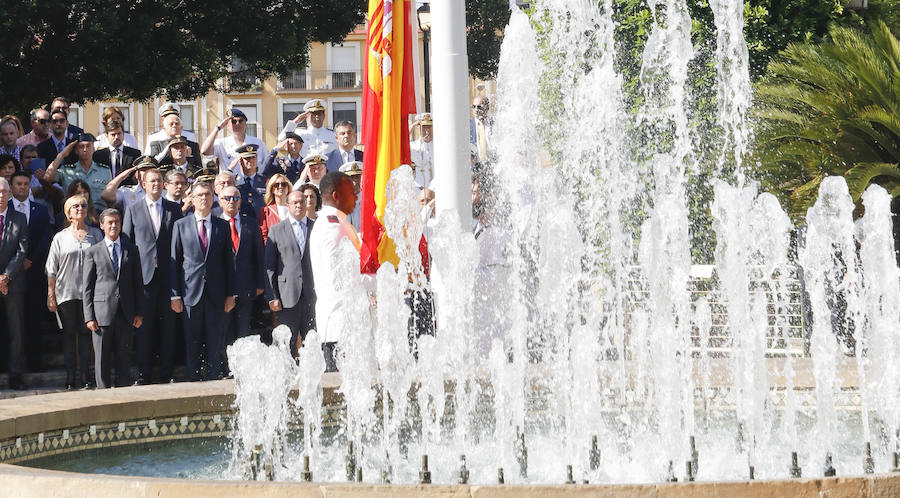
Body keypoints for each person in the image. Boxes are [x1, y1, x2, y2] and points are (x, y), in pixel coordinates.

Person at [170, 181, 236, 381]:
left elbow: (228, 262)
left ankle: (214, 379)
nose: (204, 198)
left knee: (215, 341)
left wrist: (230, 294)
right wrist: (175, 295)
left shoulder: (222, 226)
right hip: (190, 293)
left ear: (213, 198)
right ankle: (193, 381)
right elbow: (175, 261)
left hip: (216, 293)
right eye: (199, 195)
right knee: (192, 341)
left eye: (207, 194)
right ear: (192, 199)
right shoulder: (180, 225)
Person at [122, 167, 183, 384]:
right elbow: (127, 242)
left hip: (167, 278)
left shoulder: (174, 209)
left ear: (164, 184)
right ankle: (143, 373)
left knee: (168, 328)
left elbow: (179, 243)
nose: (156, 184)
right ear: (144, 184)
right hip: (143, 278)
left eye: (159, 180)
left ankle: (167, 373)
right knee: (144, 328)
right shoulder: (133, 208)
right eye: (151, 181)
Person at [46, 194, 104, 390]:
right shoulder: (60, 237)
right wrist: (51, 294)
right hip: (66, 293)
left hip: (90, 293)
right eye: (76, 206)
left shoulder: (96, 234)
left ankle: (86, 376)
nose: (80, 208)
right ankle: (70, 376)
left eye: (83, 205)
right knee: (69, 336)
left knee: (86, 335)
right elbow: (51, 268)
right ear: (68, 212)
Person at [83, 208, 143, 388]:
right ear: (102, 225)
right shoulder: (93, 251)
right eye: (109, 222)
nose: (114, 225)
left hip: (125, 311)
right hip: (102, 313)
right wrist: (89, 316)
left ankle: (123, 392)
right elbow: (87, 287)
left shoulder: (131, 250)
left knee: (124, 356)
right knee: (101, 357)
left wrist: (139, 312)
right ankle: (103, 392)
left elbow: (138, 284)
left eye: (117, 221)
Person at [309, 172, 360, 371]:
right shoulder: (332, 227)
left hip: (345, 324)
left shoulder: (338, 222)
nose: (356, 196)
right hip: (339, 325)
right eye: (351, 192)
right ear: (337, 196)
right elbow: (341, 276)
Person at [9, 171, 53, 372]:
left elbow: (46, 238)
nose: (22, 187)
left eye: (26, 184)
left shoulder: (40, 210)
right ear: (11, 187)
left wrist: (30, 260)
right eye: (18, 184)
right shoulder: (5, 209)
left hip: (34, 272)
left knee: (34, 318)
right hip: (10, 273)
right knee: (11, 321)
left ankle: (35, 362)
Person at [265, 190, 316, 357]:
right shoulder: (276, 230)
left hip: (311, 294)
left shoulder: (315, 226)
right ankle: (289, 377)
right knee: (287, 342)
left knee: (312, 339)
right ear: (288, 205)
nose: (299, 205)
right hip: (287, 295)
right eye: (295, 202)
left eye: (302, 202)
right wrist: (273, 297)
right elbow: (270, 267)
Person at [219, 185, 264, 347]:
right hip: (222, 289)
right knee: (224, 331)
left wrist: (260, 283)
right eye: (227, 198)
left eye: (235, 198)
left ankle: (243, 368)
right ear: (220, 201)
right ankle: (226, 367)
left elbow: (259, 255)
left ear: (240, 201)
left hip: (246, 286)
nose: (232, 201)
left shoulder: (251, 224)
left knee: (244, 330)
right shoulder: (214, 222)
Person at [0, 178, 28, 389]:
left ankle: (16, 375)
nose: (1, 195)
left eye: (4, 192)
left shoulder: (19, 218)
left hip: (13, 283)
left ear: (10, 194)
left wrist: (6, 276)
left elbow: (22, 250)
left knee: (16, 331)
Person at [44, 133, 112, 213]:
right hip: (74, 213)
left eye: (88, 146)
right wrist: (62, 155)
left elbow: (110, 198)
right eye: (81, 146)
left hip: (98, 214)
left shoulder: (105, 171)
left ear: (93, 148)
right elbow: (47, 177)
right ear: (76, 151)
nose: (85, 149)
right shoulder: (67, 171)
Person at [201, 108, 266, 169]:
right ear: (227, 125)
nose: (237, 124)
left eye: (240, 121)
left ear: (245, 124)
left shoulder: (258, 143)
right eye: (233, 122)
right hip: (229, 180)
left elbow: (267, 164)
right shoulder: (222, 143)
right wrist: (218, 128)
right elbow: (204, 151)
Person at [232, 143, 266, 218]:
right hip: (241, 223)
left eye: (253, 157)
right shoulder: (233, 181)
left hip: (261, 222)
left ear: (257, 159)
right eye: (247, 158)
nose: (250, 160)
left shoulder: (265, 181)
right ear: (240, 161)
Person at [258, 173, 292, 244]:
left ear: (288, 188)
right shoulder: (266, 211)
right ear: (272, 189)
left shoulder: (294, 208)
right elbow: (264, 235)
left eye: (284, 184)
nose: (280, 187)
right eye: (276, 185)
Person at [410, 113, 434, 188]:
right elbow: (400, 147)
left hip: (437, 190)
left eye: (429, 127)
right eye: (424, 127)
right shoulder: (413, 146)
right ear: (418, 128)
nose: (427, 131)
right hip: (419, 190)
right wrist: (411, 128)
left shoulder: (440, 147)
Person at [338, 161, 363, 230]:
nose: (354, 182)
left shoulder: (370, 201)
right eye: (351, 178)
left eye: (357, 177)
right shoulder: (337, 203)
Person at [469, 96, 491, 164]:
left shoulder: (494, 124)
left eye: (479, 107)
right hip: (475, 168)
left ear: (487, 108)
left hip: (493, 167)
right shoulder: (467, 126)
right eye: (473, 106)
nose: (476, 110)